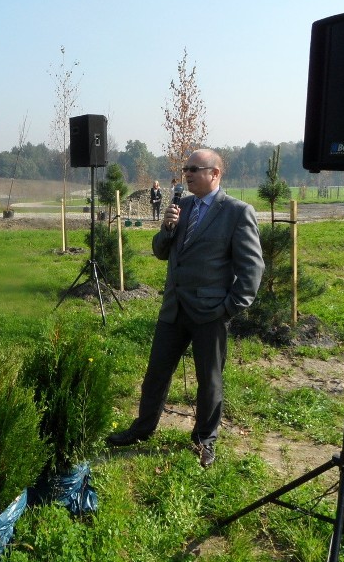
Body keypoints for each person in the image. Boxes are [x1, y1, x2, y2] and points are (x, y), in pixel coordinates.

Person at [106, 149, 264, 467]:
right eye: (185, 168)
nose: (187, 174)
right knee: (156, 373)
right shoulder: (182, 206)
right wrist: (167, 228)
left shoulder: (237, 212)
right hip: (174, 309)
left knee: (210, 380)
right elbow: (160, 252)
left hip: (211, 313)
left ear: (215, 173)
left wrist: (228, 308)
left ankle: (204, 440)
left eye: (195, 168)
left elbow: (252, 269)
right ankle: (143, 428)